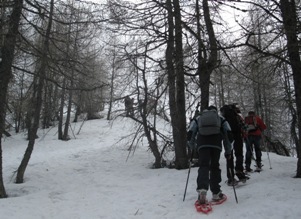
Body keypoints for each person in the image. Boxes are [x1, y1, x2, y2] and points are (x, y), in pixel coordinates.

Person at [187, 105, 232, 204]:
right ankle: (216, 192)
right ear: (215, 111)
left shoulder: (199, 118)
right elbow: (228, 134)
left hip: (202, 144)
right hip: (216, 145)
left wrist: (192, 147)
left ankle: (202, 191)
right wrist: (228, 151)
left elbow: (190, 132)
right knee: (215, 166)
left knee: (204, 166)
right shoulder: (220, 118)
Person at [220, 104, 249, 186]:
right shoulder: (237, 115)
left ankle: (230, 177)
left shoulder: (223, 116)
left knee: (229, 156)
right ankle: (239, 171)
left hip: (228, 138)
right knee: (239, 154)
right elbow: (244, 127)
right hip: (237, 136)